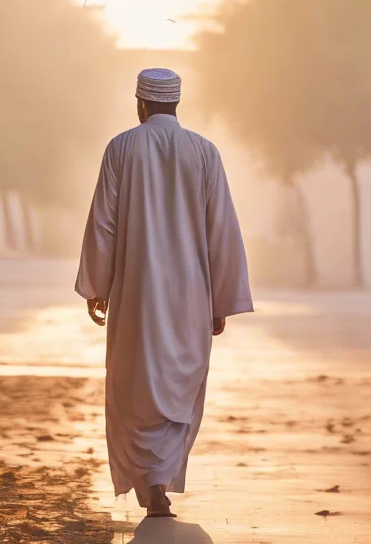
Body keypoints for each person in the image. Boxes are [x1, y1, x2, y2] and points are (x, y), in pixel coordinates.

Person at [76, 68, 252, 518]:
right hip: (191, 294)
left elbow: (104, 222)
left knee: (134, 384)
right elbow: (222, 230)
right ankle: (160, 478)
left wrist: (97, 286)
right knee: (180, 384)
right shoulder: (204, 152)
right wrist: (221, 300)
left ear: (140, 103)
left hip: (135, 294)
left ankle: (150, 481)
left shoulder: (121, 148)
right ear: (176, 103)